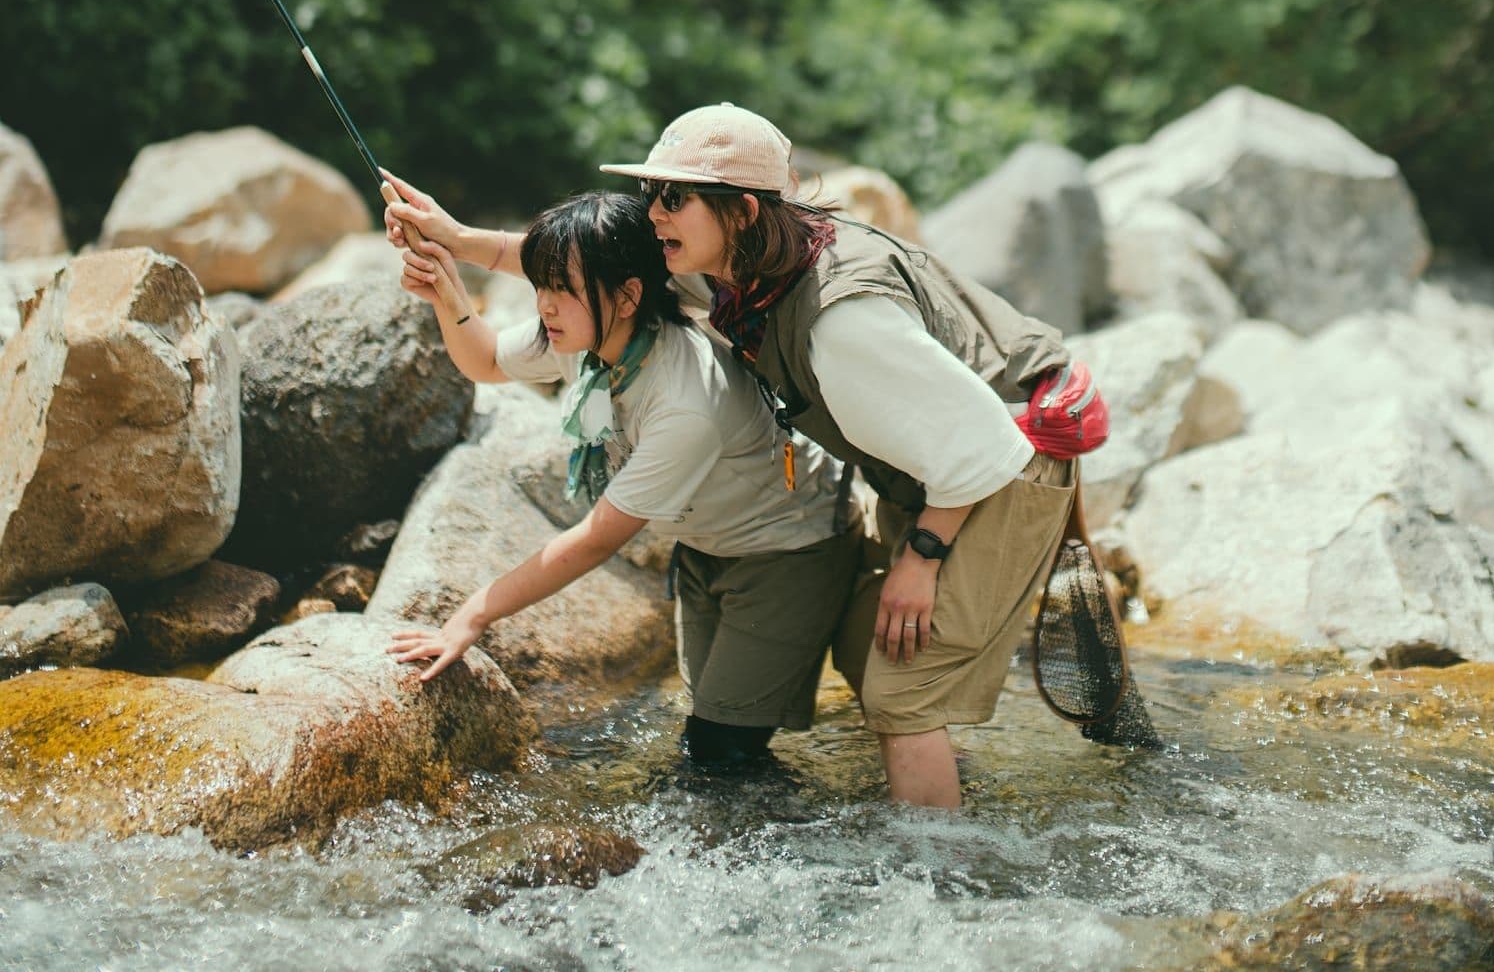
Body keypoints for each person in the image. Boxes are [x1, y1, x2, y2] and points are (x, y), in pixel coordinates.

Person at [597, 103, 1077, 810]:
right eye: (648, 193)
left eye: (674, 196)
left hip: (1000, 469)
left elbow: (982, 446)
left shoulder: (842, 320)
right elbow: (590, 261)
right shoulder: (743, 264)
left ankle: (941, 879)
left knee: (900, 686)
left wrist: (922, 555)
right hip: (937, 465)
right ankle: (951, 789)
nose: (652, 213)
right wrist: (457, 241)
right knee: (865, 645)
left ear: (745, 212)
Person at [383, 183, 864, 771]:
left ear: (630, 293)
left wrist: (472, 615)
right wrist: (444, 283)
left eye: (561, 290)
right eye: (541, 287)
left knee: (722, 749)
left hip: (788, 548)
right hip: (704, 544)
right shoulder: (590, 338)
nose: (545, 306)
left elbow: (596, 540)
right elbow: (482, 361)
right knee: (707, 735)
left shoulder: (683, 397)